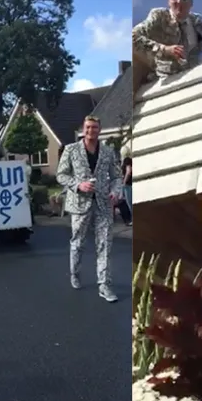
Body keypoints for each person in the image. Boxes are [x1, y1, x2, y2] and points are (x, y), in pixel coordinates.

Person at [56, 115, 122, 303]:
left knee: (105, 244)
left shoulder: (108, 151)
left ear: (99, 130)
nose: (90, 131)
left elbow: (117, 176)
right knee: (78, 241)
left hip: (103, 204)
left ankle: (104, 284)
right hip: (79, 203)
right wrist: (78, 185)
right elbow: (61, 175)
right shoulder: (71, 150)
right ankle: (74, 273)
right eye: (87, 127)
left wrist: (116, 191)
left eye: (94, 127)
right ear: (82, 130)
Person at [132, 0, 202, 80]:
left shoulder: (197, 23)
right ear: (169, 1)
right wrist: (164, 49)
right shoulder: (159, 16)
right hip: (159, 77)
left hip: (188, 77)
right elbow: (133, 36)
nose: (179, 1)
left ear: (191, 2)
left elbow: (197, 52)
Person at [121, 150, 132, 227]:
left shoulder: (127, 160)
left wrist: (124, 182)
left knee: (130, 203)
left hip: (128, 184)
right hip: (130, 184)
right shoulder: (130, 159)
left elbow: (128, 171)